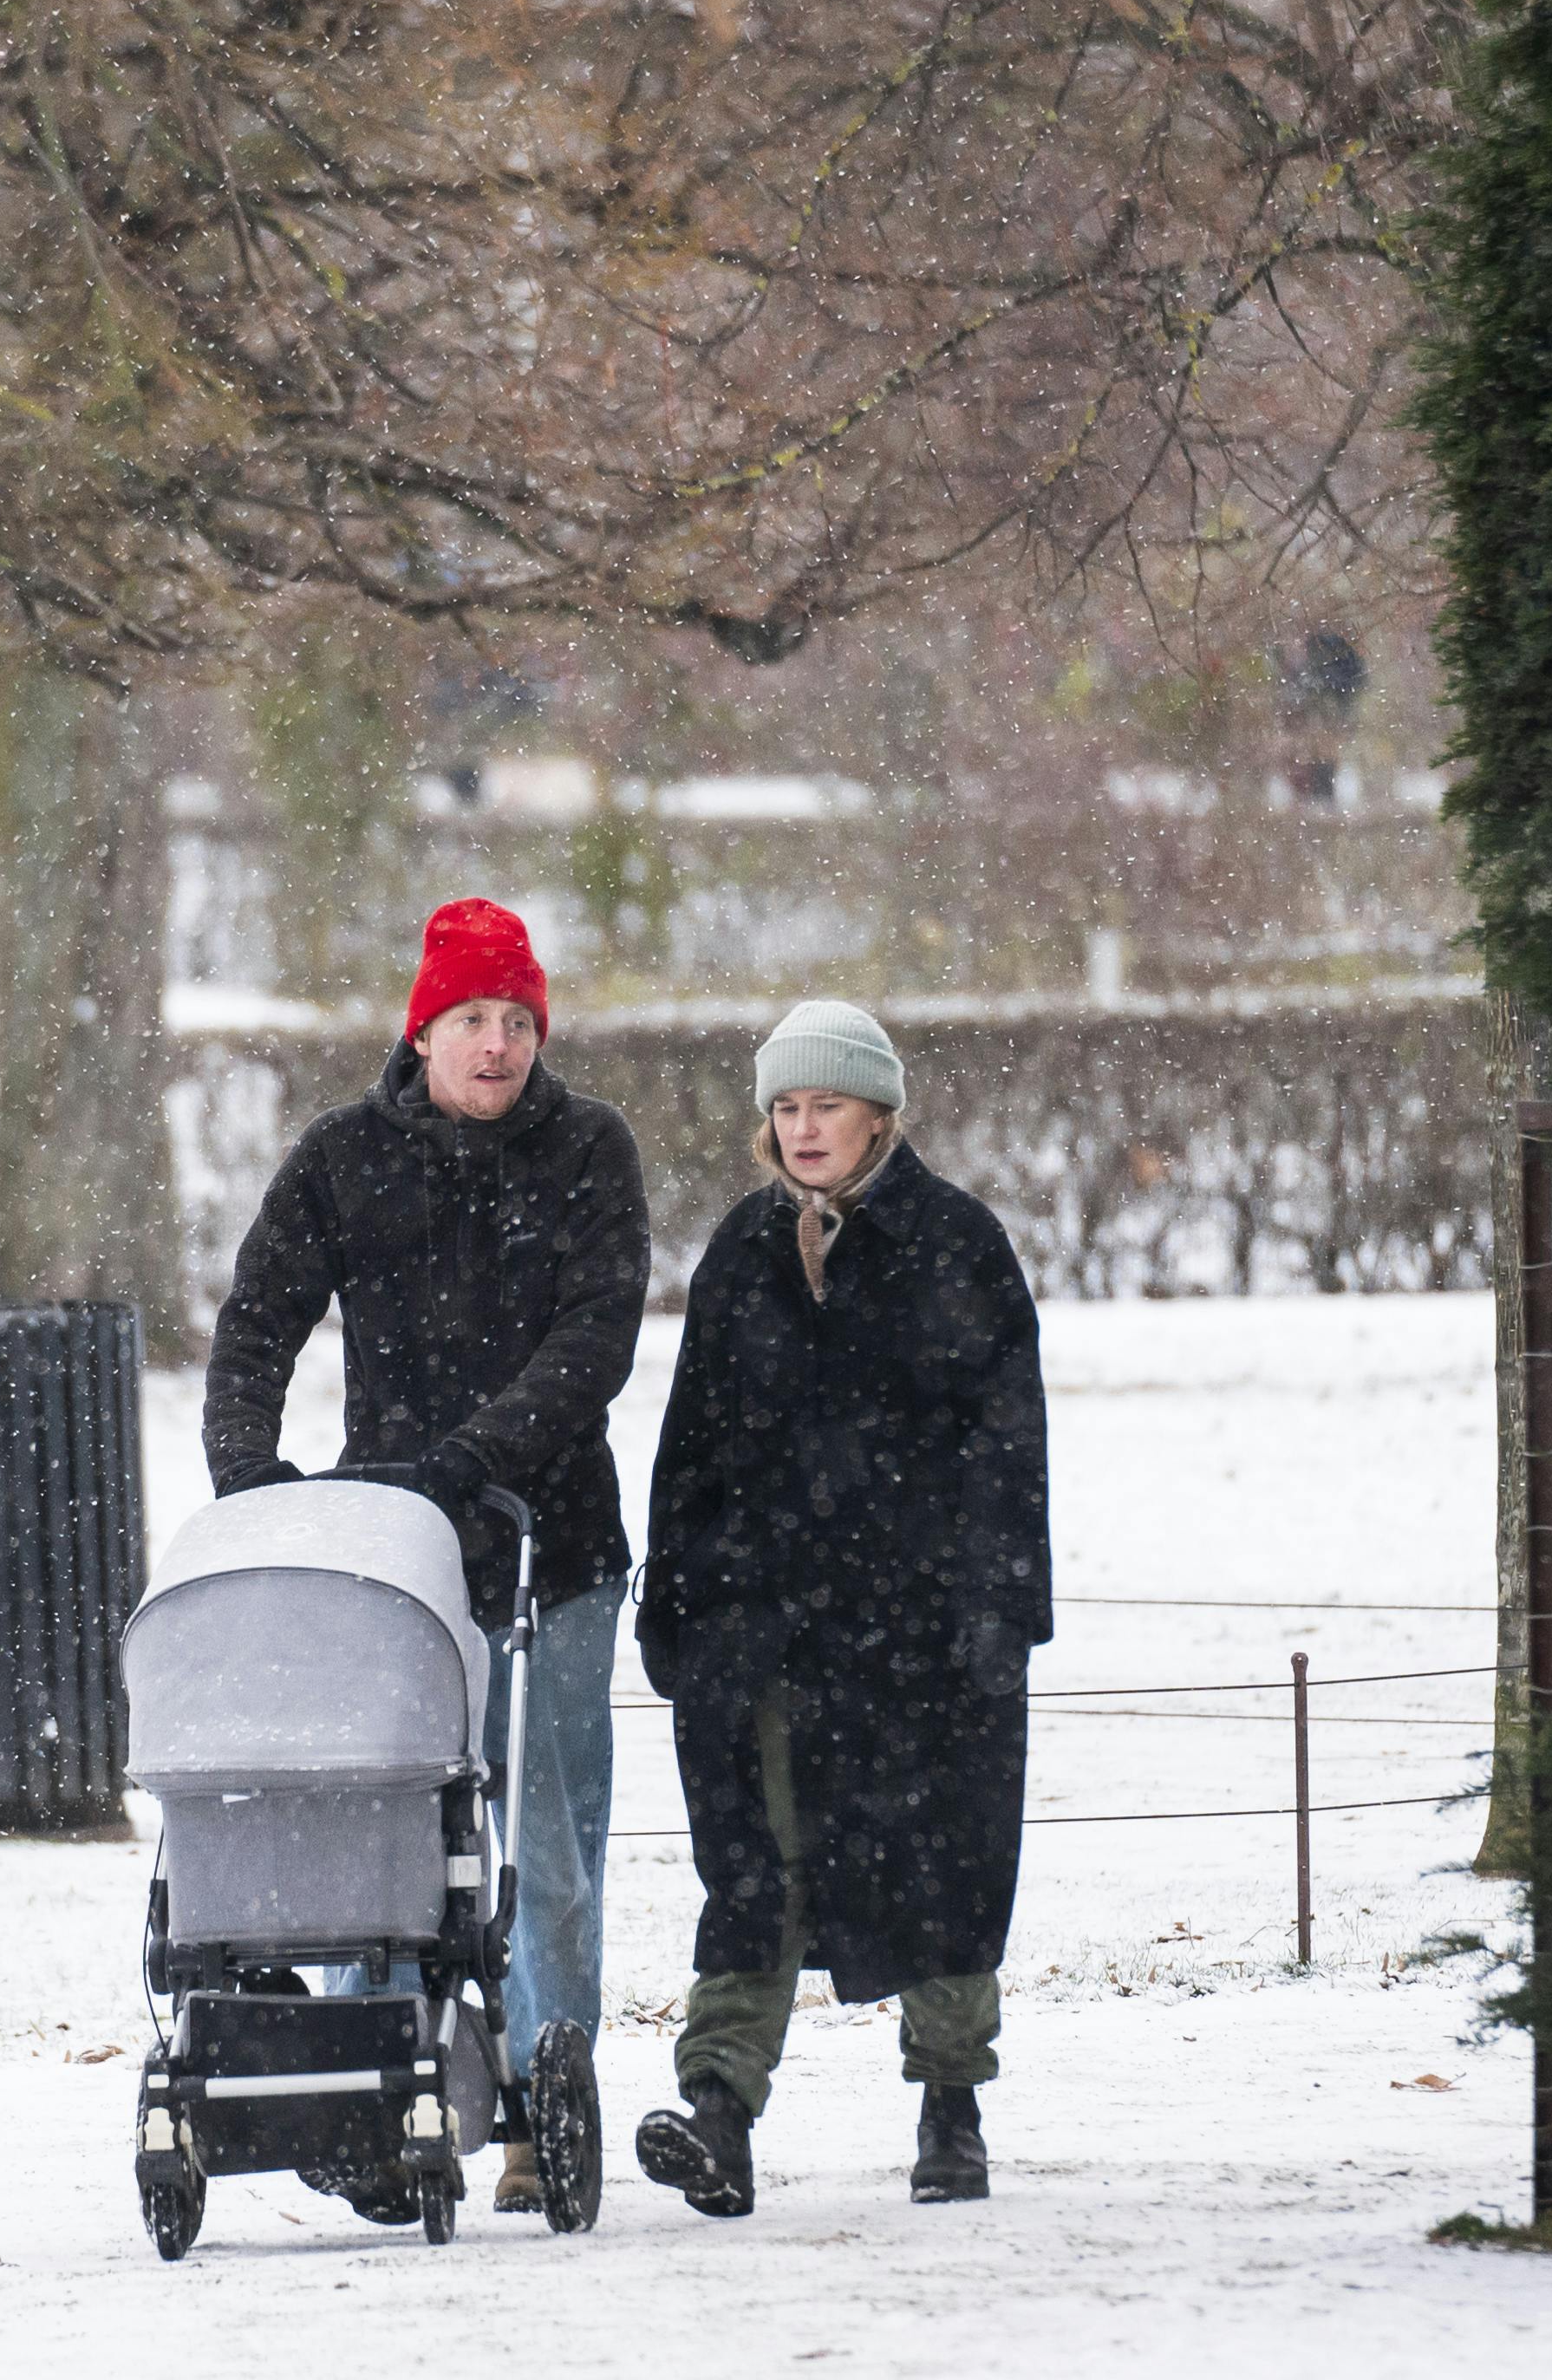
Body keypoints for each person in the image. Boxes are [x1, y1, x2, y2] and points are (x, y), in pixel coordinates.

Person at [204, 897, 650, 2218]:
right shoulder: (344, 1159)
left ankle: (537, 2109)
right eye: (471, 1020)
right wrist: (247, 1473)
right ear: (422, 1032)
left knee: (544, 1851)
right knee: (382, 1833)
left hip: (550, 1546)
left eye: (516, 1020)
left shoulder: (589, 1151)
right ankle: (374, 2106)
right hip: (389, 1560)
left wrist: (477, 1455)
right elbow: (258, 1318)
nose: (497, 1045)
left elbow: (596, 1339)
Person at [629, 999, 1049, 2216]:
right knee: (754, 1864)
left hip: (917, 1628)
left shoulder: (956, 1243)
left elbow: (1006, 1442)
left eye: (827, 1104)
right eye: (786, 1106)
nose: (803, 1127)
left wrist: (1001, 1605)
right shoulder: (741, 1249)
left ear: (879, 1114)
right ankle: (718, 2111)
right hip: (763, 1627)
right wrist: (675, 1597)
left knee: (938, 1858)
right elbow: (690, 1442)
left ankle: (950, 2106)